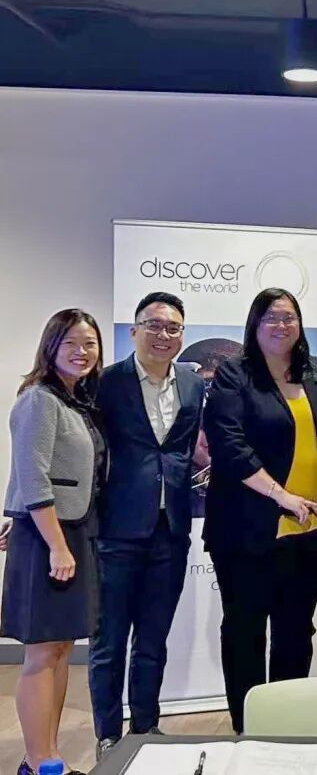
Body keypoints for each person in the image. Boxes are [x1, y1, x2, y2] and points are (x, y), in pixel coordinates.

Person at [202, 288, 317, 732]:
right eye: (271, 317)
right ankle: (250, 727)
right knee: (246, 630)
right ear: (255, 324)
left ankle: (286, 723)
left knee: (296, 631)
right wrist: (282, 496)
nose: (281, 325)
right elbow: (229, 445)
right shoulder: (234, 374)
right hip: (247, 529)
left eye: (289, 316)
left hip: (309, 529)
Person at [89, 292, 205, 759]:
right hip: (116, 529)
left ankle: (145, 728)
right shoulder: (106, 383)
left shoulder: (192, 384)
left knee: (153, 639)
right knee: (109, 641)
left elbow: (184, 450)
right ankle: (107, 735)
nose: (163, 335)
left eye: (173, 328)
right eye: (154, 325)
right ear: (135, 330)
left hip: (170, 529)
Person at [2, 309, 106, 775]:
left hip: (70, 532)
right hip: (49, 539)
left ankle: (50, 758)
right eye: (71, 343)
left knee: (61, 650)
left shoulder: (74, 400)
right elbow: (33, 475)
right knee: (42, 652)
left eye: (90, 343)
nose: (81, 352)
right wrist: (56, 545)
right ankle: (36, 760)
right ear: (51, 346)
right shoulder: (39, 400)